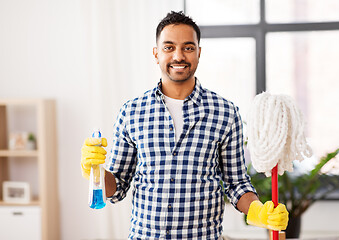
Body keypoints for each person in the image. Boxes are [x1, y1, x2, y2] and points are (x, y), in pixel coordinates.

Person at [81, 11, 288, 240]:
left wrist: (259, 211)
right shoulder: (131, 112)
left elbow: (236, 184)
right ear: (156, 53)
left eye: (188, 48)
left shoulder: (225, 112)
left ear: (199, 52)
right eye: (169, 47)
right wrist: (95, 171)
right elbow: (116, 189)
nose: (178, 56)